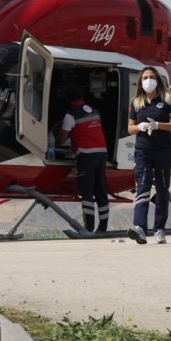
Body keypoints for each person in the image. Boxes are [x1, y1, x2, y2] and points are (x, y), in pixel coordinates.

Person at [126, 66, 171, 245]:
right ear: (140, 82)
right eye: (144, 78)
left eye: (151, 77)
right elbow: (130, 128)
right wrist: (139, 127)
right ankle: (139, 227)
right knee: (143, 186)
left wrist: (158, 125)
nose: (148, 80)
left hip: (163, 150)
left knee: (162, 188)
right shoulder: (136, 102)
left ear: (157, 80)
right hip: (143, 150)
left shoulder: (166, 100)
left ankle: (159, 229)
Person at [57, 86, 110, 233]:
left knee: (87, 191)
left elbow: (62, 139)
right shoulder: (94, 111)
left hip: (86, 156)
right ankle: (103, 227)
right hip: (102, 155)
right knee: (101, 190)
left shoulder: (71, 115)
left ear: (68, 100)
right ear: (82, 96)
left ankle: (89, 227)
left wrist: (55, 141)